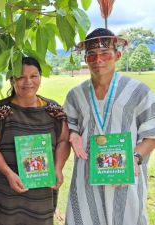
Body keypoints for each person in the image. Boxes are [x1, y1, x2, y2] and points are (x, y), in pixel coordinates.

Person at [64, 28, 155, 225]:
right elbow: (70, 126)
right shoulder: (75, 95)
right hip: (86, 175)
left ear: (118, 55)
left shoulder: (138, 92)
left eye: (105, 53)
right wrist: (73, 134)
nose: (98, 60)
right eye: (92, 55)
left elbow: (151, 133)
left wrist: (136, 159)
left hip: (124, 174)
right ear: (86, 59)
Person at [0, 57, 70, 225]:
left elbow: (64, 141)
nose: (28, 82)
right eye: (21, 77)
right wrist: (8, 173)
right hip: (5, 192)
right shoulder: (0, 111)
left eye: (34, 76)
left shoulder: (53, 110)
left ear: (40, 77)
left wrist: (58, 168)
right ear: (12, 80)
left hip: (42, 195)